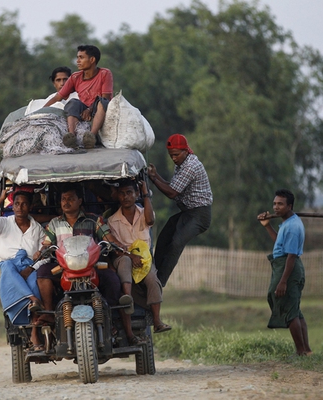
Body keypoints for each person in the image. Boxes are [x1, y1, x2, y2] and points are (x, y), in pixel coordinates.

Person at [34, 183, 135, 340]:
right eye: (63, 199)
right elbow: (47, 242)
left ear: (80, 200)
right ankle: (49, 313)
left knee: (113, 280)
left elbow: (107, 236)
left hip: (91, 266)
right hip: (63, 267)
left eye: (71, 199)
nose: (66, 202)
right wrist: (41, 251)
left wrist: (118, 245)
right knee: (42, 273)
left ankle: (109, 317)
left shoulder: (94, 220)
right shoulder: (54, 223)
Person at [0, 188, 45, 351]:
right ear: (12, 205)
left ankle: (34, 331)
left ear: (30, 206)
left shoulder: (37, 228)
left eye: (24, 204)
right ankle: (32, 299)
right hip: (9, 266)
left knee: (35, 282)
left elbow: (44, 256)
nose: (20, 207)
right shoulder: (4, 222)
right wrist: (0, 199)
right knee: (8, 266)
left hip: (29, 267)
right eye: (16, 204)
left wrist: (32, 268)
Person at [108, 179, 171, 337]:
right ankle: (127, 299)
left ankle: (156, 321)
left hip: (144, 260)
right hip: (123, 257)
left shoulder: (144, 212)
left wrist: (145, 193)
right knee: (125, 262)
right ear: (118, 196)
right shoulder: (112, 220)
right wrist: (130, 255)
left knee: (152, 280)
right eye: (122, 194)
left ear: (136, 194)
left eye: (129, 193)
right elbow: (115, 247)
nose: (126, 197)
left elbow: (151, 220)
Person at [147, 133, 213, 287]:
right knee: (164, 236)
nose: (174, 159)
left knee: (176, 242)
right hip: (188, 212)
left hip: (199, 215)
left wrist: (154, 178)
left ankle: (159, 283)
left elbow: (171, 193)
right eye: (171, 155)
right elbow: (172, 186)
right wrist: (155, 175)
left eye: (176, 155)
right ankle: (152, 272)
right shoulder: (181, 164)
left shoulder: (190, 166)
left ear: (186, 151)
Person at [257, 189, 312, 356]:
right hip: (284, 266)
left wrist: (283, 281)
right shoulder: (287, 223)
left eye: (280, 204)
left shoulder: (294, 226)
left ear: (290, 206)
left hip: (289, 269)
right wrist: (267, 226)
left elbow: (292, 256)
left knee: (289, 309)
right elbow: (279, 244)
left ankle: (301, 351)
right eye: (274, 203)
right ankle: (306, 350)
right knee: (294, 310)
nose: (276, 207)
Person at [43, 45, 113, 149]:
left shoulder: (104, 73)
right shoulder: (75, 77)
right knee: (73, 103)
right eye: (77, 57)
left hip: (98, 109)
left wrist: (90, 110)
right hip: (84, 109)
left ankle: (91, 136)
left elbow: (105, 97)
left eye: (81, 57)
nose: (78, 61)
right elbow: (58, 97)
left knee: (101, 102)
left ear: (92, 59)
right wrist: (42, 111)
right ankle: (72, 137)